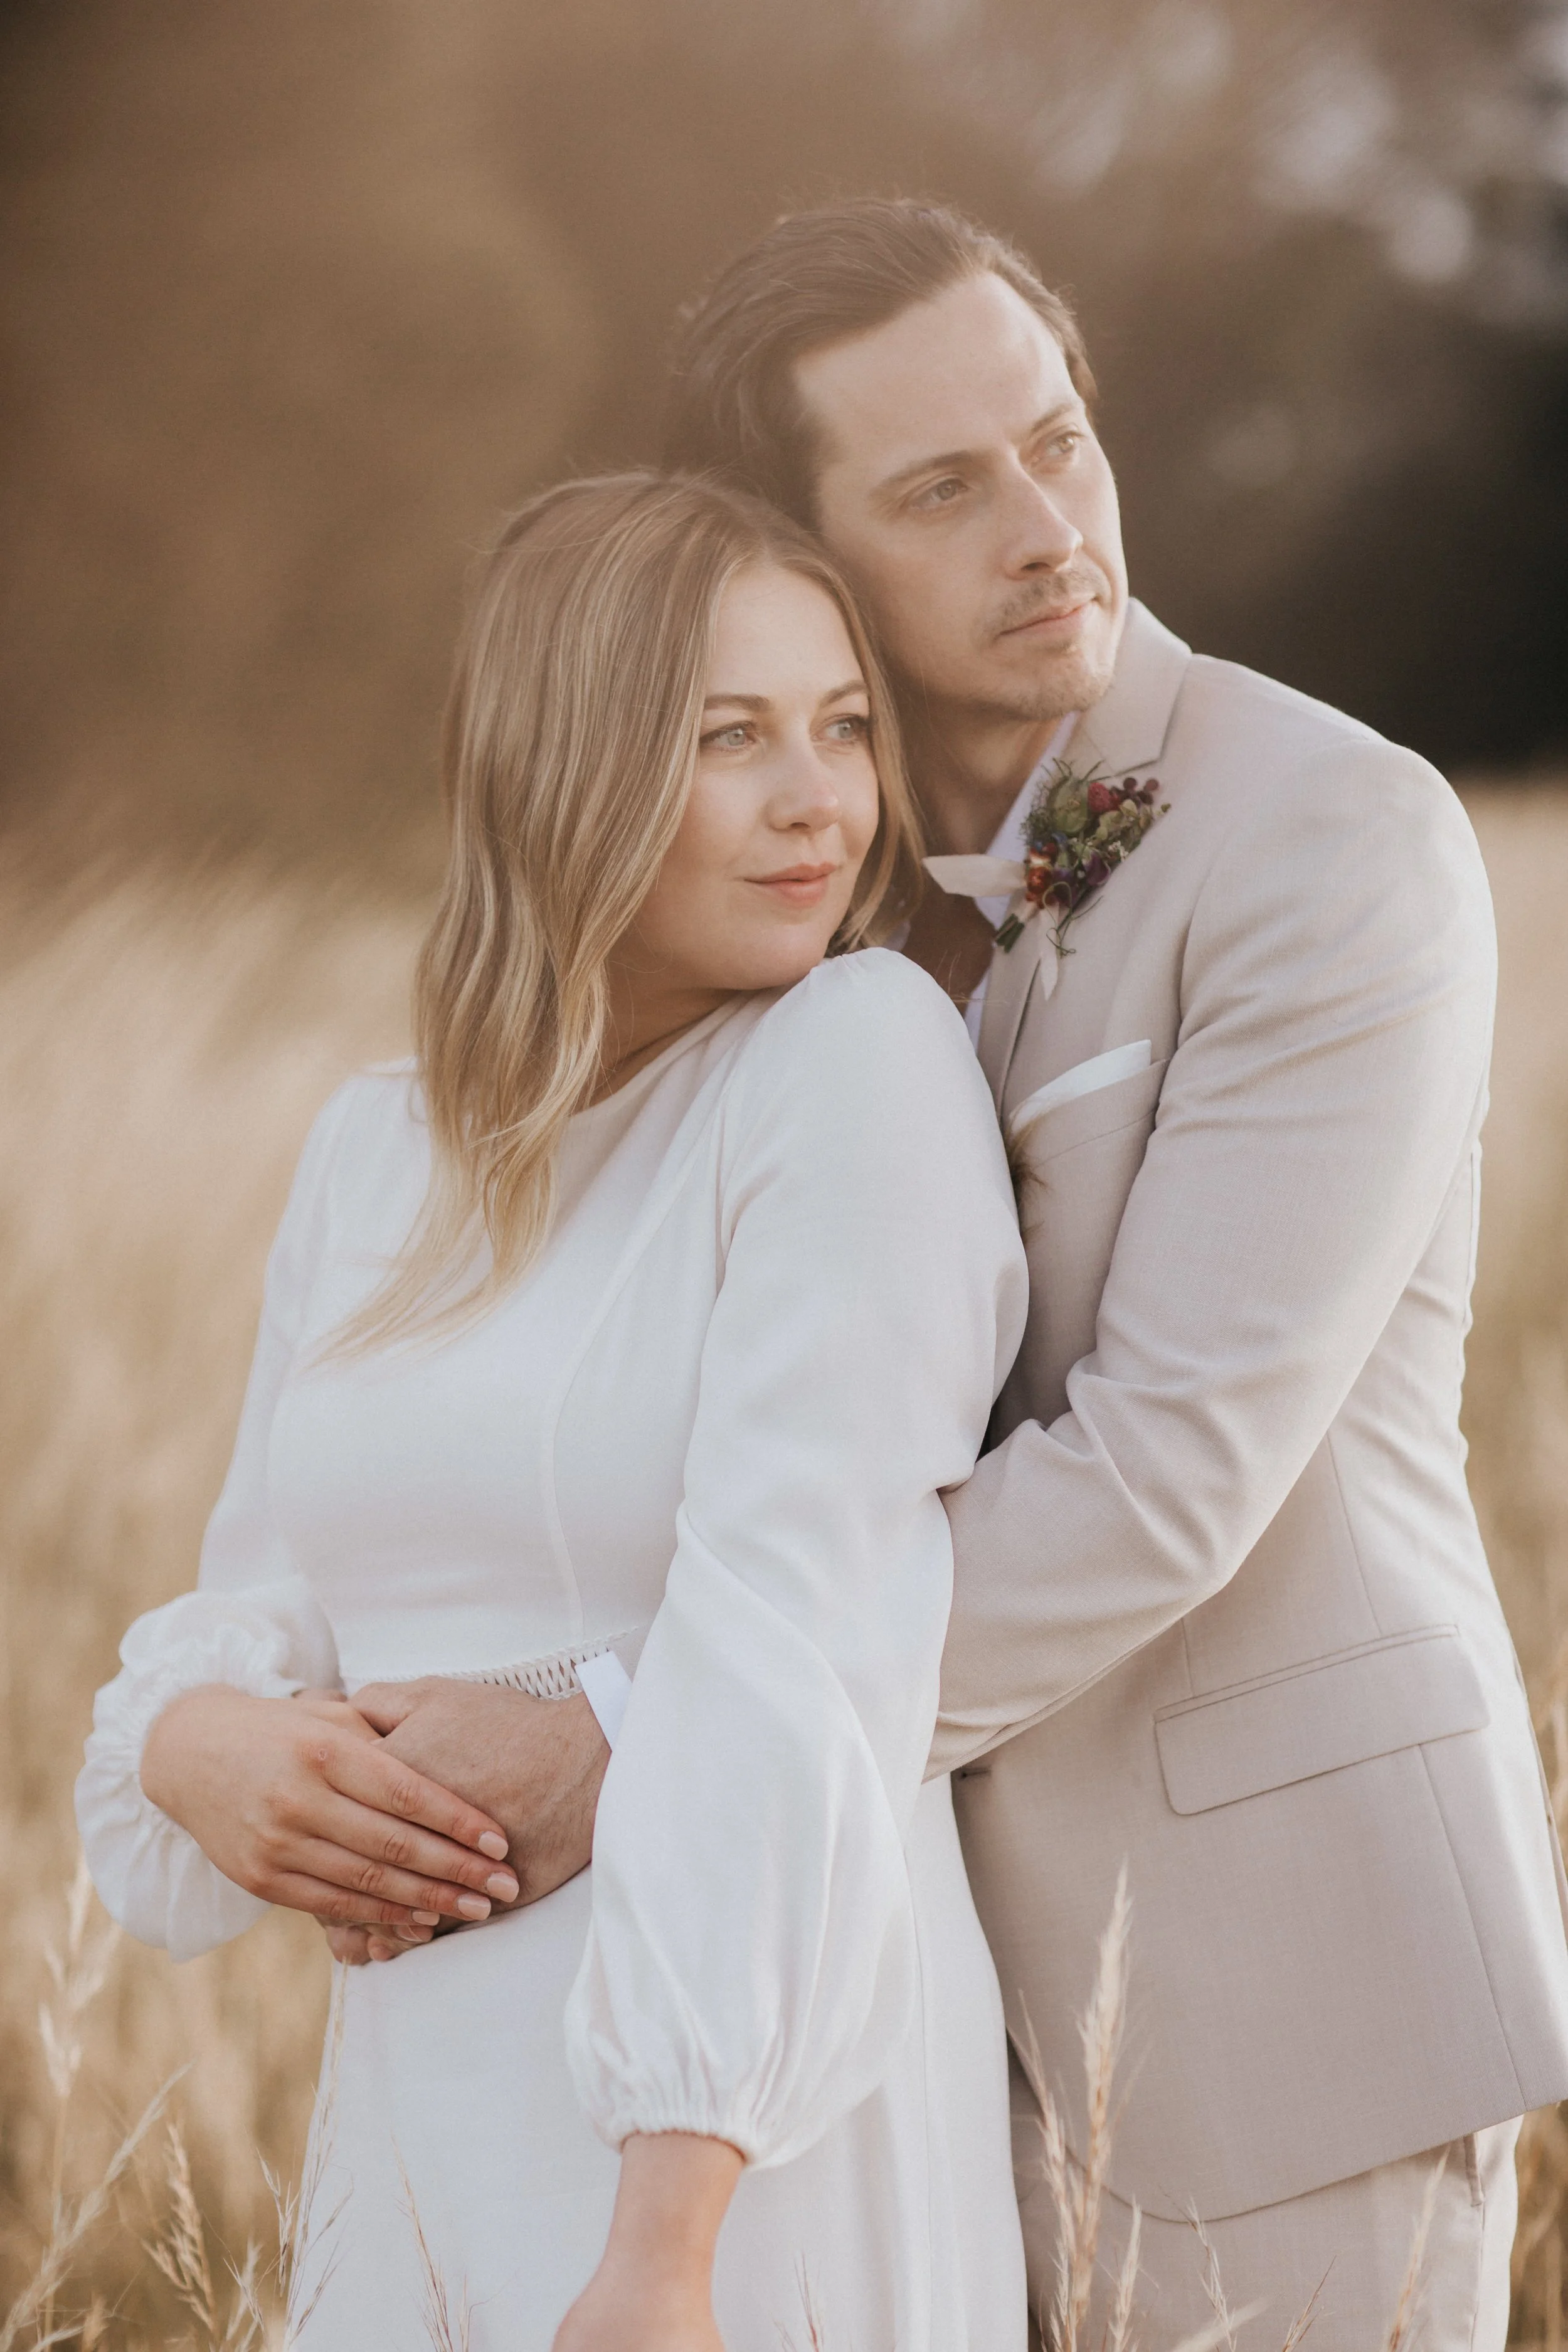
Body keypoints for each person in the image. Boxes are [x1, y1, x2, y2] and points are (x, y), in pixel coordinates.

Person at [260, 200, 1568, 2348]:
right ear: (790, 546)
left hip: (1274, 1995)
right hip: (893, 2031)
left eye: (1059, 440)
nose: (1049, 524)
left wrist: (630, 1737)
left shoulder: (1330, 838)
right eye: (945, 488)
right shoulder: (803, 916)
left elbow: (1164, 1466)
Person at [75, 470, 1032, 2351]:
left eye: (842, 728)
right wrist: (197, 1744)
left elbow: (805, 1620)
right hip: (418, 2107)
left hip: (728, 2144)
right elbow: (271, 1583)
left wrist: (666, 2238)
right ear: (561, 769)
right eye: (728, 736)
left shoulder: (848, 1058)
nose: (817, 800)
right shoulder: (376, 1149)